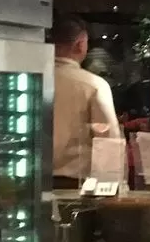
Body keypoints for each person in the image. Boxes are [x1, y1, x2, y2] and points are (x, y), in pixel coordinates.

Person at [51, 14, 120, 188]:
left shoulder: (28, 79)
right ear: (80, 44)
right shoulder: (94, 85)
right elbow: (108, 142)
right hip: (74, 186)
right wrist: (109, 188)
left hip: (27, 184)